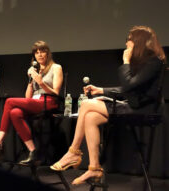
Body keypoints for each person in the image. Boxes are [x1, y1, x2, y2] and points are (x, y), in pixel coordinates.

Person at [50, 26, 166, 185]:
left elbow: (130, 85)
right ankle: (94, 168)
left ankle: (73, 152)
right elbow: (129, 87)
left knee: (85, 105)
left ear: (137, 42)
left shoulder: (154, 62)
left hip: (144, 110)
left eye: (129, 41)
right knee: (90, 117)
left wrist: (125, 62)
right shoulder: (145, 63)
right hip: (133, 105)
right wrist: (101, 90)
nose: (126, 45)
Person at [0, 40, 63, 165]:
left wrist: (40, 82)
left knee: (9, 101)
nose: (39, 55)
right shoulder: (35, 70)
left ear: (48, 53)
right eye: (37, 52)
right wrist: (30, 80)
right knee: (14, 112)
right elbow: (28, 96)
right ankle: (33, 152)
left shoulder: (56, 68)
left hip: (48, 102)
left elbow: (56, 92)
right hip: (34, 101)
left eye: (42, 52)